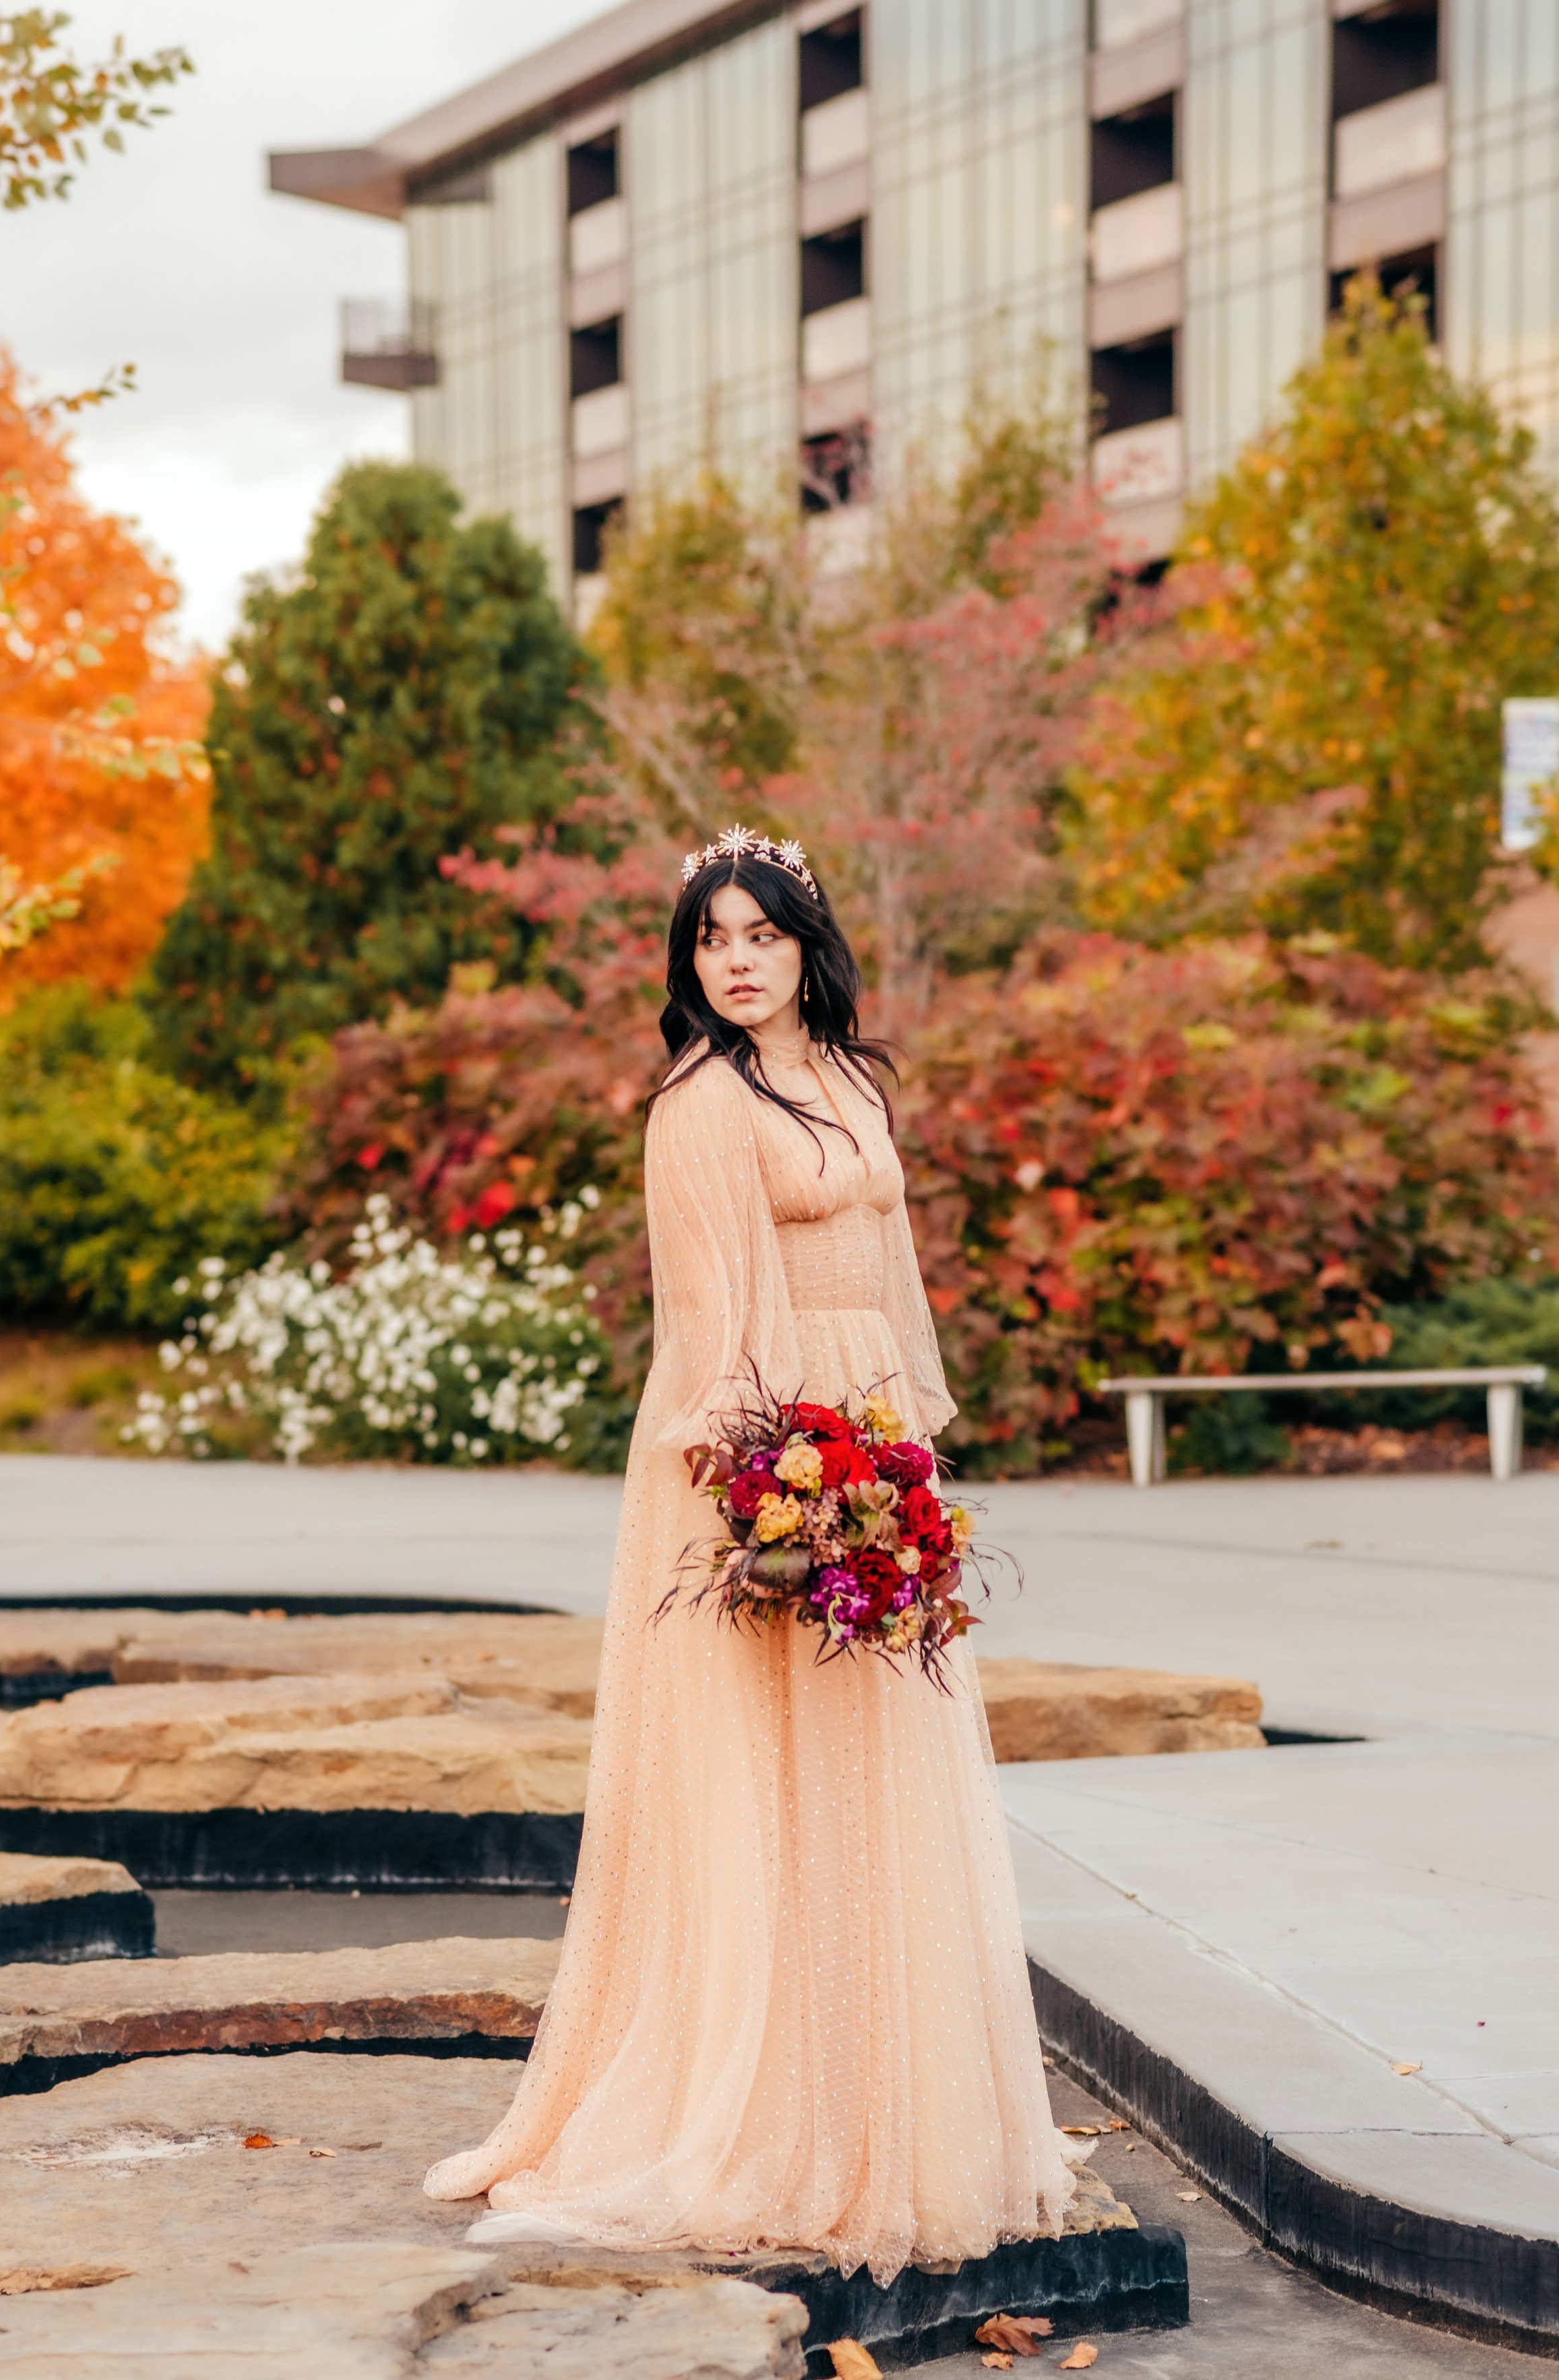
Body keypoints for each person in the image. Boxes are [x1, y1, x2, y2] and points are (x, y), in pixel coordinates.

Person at [424, 827, 1074, 2281]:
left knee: (876, 1763)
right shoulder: (700, 1103)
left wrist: (900, 1465)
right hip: (768, 1449)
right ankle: (768, 2114)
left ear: (803, 946)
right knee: (769, 1771)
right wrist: (781, 1490)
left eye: (760, 933)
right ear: (690, 961)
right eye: (711, 937)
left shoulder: (849, 1079)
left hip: (867, 1429)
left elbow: (888, 1277)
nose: (735, 959)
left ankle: (887, 2108)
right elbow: (714, 1318)